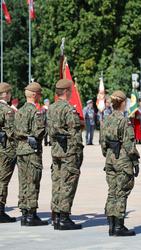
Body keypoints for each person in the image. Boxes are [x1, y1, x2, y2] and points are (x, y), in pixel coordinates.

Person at [100, 90, 140, 237]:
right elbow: (129, 144)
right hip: (123, 161)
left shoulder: (107, 119)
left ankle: (111, 225)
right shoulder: (124, 120)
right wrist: (135, 161)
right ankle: (119, 226)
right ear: (123, 103)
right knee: (122, 192)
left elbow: (102, 143)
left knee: (112, 191)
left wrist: (108, 154)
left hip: (110, 159)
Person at [47, 79, 84, 230]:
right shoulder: (69, 109)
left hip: (56, 151)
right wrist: (78, 152)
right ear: (67, 91)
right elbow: (74, 133)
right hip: (69, 152)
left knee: (57, 182)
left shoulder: (51, 108)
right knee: (68, 183)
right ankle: (64, 217)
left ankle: (56, 215)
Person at [14, 82, 48, 226]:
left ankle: (24, 213)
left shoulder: (19, 111)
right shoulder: (36, 112)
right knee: (33, 181)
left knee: (23, 182)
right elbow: (39, 132)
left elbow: (15, 131)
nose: (40, 96)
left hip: (20, 150)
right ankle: (31, 215)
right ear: (34, 95)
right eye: (39, 94)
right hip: (32, 151)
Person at [0, 83, 17, 223]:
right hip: (5, 150)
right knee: (2, 180)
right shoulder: (7, 110)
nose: (10, 95)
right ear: (5, 94)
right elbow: (12, 132)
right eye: (9, 93)